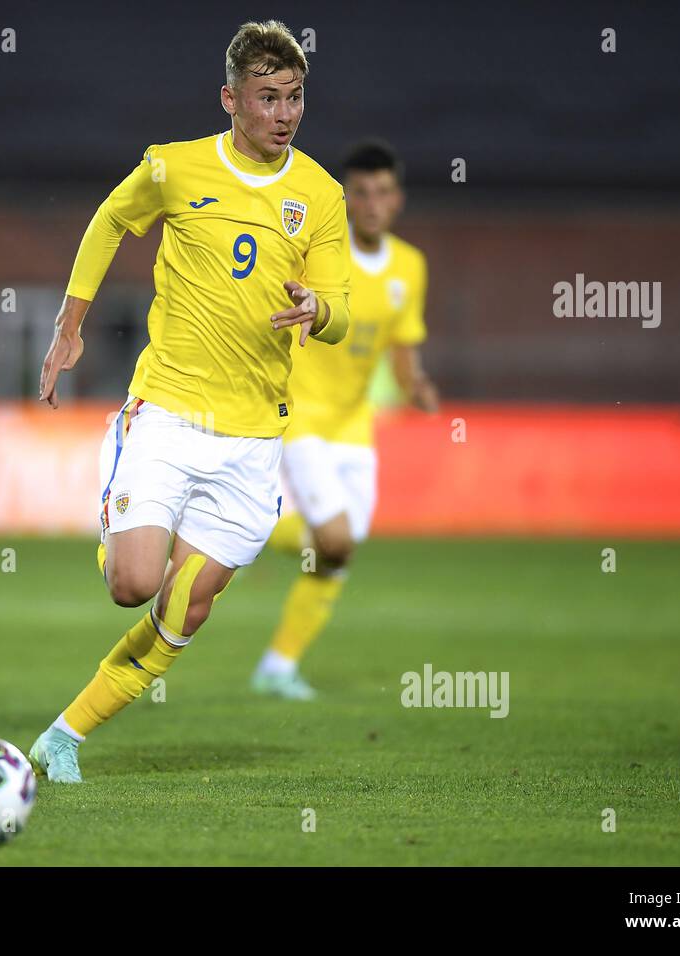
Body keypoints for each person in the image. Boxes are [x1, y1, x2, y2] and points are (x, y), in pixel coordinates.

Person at [27, 21, 350, 782]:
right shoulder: (173, 168)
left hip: (253, 441)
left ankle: (63, 737)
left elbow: (341, 307)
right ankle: (120, 509)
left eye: (295, 96)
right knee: (133, 585)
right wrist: (67, 329)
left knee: (184, 611)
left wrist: (320, 313)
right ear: (231, 99)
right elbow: (111, 218)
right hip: (169, 413)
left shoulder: (321, 196)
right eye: (268, 97)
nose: (285, 113)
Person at [252, 140, 439, 699]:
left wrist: (417, 387)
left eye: (383, 192)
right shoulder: (318, 253)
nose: (372, 203)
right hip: (301, 411)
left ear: (397, 199)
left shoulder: (410, 266)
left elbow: (401, 349)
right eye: (360, 192)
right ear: (345, 199)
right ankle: (246, 525)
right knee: (332, 537)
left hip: (356, 422)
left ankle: (277, 666)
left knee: (339, 551)